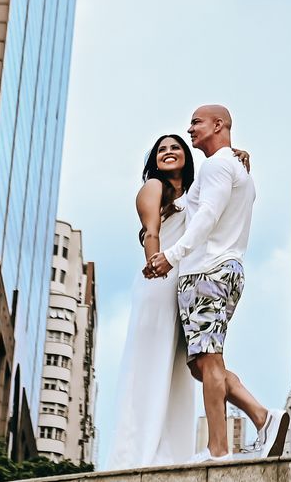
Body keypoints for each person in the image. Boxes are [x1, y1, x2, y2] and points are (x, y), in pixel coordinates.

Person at [146, 103, 288, 462]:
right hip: (224, 270)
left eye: (196, 122)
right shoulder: (232, 168)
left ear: (218, 124)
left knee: (208, 362)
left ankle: (218, 449)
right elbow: (194, 207)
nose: (190, 129)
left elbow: (207, 216)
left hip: (206, 271)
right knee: (201, 364)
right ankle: (261, 416)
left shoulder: (217, 166)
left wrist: (171, 255)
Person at [104, 134, 199, 468]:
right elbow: (151, 231)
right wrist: (155, 264)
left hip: (186, 284)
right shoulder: (153, 187)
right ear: (154, 160)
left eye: (176, 147)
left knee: (178, 368)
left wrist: (237, 156)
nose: (169, 152)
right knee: (150, 363)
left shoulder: (195, 192)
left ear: (187, 156)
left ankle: (172, 454)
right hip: (158, 282)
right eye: (162, 149)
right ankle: (135, 452)